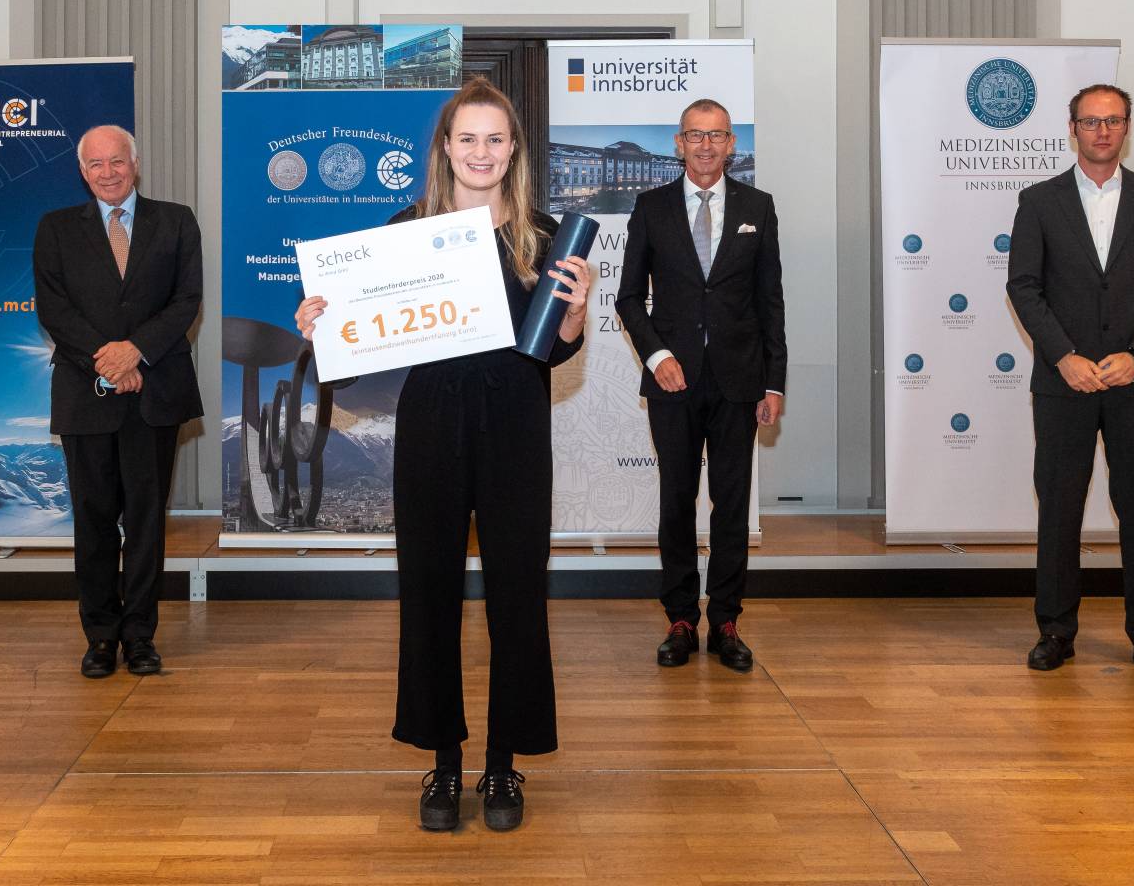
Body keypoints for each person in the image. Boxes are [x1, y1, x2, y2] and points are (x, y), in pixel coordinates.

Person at [295, 77, 589, 832]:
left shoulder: (545, 235)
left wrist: (578, 310)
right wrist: (321, 324)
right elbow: (356, 358)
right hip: (429, 430)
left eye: (496, 138)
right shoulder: (405, 230)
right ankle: (445, 763)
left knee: (517, 600)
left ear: (513, 148)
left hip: (516, 430)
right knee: (428, 597)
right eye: (468, 138)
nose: (481, 152)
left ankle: (503, 767)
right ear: (446, 148)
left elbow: (554, 355)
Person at [1006, 84, 1134, 682]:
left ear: (1127, 127)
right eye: (1091, 121)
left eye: (1113, 121)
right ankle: (1055, 632)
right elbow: (1024, 287)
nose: (1102, 131)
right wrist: (1062, 356)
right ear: (1073, 128)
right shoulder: (1039, 200)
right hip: (1065, 384)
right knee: (1059, 508)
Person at [614, 98, 787, 673]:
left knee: (732, 503)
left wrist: (774, 382)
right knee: (677, 500)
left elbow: (770, 303)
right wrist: (658, 354)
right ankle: (681, 620)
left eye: (717, 136)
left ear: (732, 143)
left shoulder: (758, 207)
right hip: (674, 378)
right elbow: (628, 298)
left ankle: (727, 622)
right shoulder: (651, 207)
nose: (707, 145)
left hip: (740, 381)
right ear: (679, 143)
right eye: (696, 135)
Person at [32, 124, 203, 679]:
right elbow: (54, 311)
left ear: (136, 163)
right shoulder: (56, 228)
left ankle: (141, 637)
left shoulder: (176, 221)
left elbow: (186, 301)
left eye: (117, 162)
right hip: (86, 394)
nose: (108, 173)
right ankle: (101, 637)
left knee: (149, 522)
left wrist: (137, 353)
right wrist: (108, 362)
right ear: (82, 172)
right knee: (94, 520)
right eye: (95, 164)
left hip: (155, 392)